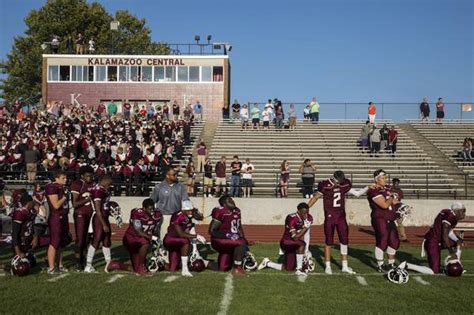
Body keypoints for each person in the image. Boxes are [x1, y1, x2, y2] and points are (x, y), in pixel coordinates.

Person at [308, 171, 368, 274]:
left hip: (341, 216)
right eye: (338, 181)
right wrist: (306, 208)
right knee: (328, 241)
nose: (340, 183)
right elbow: (316, 197)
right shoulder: (325, 185)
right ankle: (328, 266)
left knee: (344, 240)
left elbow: (357, 193)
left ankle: (344, 266)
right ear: (334, 178)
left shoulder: (345, 184)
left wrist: (368, 187)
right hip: (330, 216)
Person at [105, 198, 162, 276]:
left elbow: (155, 230)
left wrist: (156, 242)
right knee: (145, 242)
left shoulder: (157, 214)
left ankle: (114, 264)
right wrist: (153, 238)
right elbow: (139, 231)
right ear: (144, 208)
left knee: (136, 269)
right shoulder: (137, 213)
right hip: (131, 240)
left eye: (153, 208)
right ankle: (142, 267)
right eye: (150, 209)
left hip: (141, 239)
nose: (152, 211)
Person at [258, 202, 312, 277]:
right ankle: (299, 269)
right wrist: (305, 228)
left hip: (296, 243)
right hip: (287, 242)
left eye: (307, 213)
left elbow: (303, 236)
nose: (306, 215)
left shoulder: (309, 217)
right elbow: (295, 237)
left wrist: (304, 253)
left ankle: (267, 263)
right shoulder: (291, 218)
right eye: (304, 213)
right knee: (302, 244)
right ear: (298, 211)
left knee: (288, 269)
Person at [367, 169, 401, 272]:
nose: (385, 179)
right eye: (382, 178)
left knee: (395, 242)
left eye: (385, 177)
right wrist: (391, 196)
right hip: (379, 218)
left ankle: (391, 264)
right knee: (382, 240)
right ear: (376, 179)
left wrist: (402, 206)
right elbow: (385, 204)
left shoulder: (387, 188)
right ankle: (380, 265)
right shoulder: (373, 190)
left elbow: (394, 201)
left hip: (390, 218)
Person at [163, 200, 206, 277]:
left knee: (173, 268)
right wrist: (197, 236)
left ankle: (164, 263)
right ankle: (184, 269)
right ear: (183, 210)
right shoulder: (177, 216)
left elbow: (199, 219)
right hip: (171, 240)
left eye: (191, 210)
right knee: (185, 241)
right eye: (188, 210)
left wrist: (195, 248)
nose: (190, 212)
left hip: (179, 242)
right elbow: (181, 234)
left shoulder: (190, 214)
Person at [422, 203, 466, 273]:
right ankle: (408, 266)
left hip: (439, 241)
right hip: (432, 241)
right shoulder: (449, 216)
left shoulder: (451, 215)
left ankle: (457, 264)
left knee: (459, 242)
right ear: (456, 211)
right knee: (434, 271)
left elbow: (449, 232)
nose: (464, 214)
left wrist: (458, 240)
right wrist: (451, 252)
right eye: (462, 211)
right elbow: (445, 235)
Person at [209, 195, 247, 275]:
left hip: (230, 241)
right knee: (240, 243)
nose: (233, 201)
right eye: (230, 201)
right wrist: (228, 235)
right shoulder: (220, 212)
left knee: (223, 268)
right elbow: (212, 231)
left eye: (232, 200)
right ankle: (237, 268)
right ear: (224, 204)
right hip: (219, 240)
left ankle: (205, 263)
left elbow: (239, 226)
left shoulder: (237, 210)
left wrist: (243, 238)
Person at [84, 175, 114, 273]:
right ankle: (88, 266)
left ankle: (108, 263)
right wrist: (104, 224)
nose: (110, 186)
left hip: (104, 217)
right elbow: (97, 209)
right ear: (105, 182)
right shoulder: (98, 190)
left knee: (106, 240)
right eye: (109, 185)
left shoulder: (102, 189)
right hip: (99, 219)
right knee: (96, 241)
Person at [150, 166, 191, 235]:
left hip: (177, 217)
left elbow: (186, 200)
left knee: (176, 239)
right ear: (167, 176)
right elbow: (151, 201)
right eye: (174, 175)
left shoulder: (180, 187)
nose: (176, 176)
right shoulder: (159, 187)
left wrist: (188, 213)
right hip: (164, 216)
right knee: (164, 239)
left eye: (176, 174)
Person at [46, 170, 71, 274]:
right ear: (56, 178)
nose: (65, 180)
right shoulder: (52, 187)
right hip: (56, 217)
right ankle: (51, 267)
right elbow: (56, 205)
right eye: (63, 178)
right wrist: (65, 197)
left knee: (62, 242)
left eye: (65, 178)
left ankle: (60, 265)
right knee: (54, 242)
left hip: (64, 216)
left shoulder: (62, 187)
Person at [70, 165, 95, 271]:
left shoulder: (93, 184)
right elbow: (74, 204)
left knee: (87, 239)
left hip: (91, 214)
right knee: (80, 239)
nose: (90, 177)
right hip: (80, 214)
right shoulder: (77, 184)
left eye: (91, 175)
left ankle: (84, 260)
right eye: (87, 175)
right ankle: (77, 262)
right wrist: (87, 199)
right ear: (82, 176)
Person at [11, 194, 35, 260]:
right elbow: (15, 233)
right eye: (32, 202)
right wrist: (18, 252)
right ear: (29, 202)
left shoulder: (29, 211)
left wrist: (34, 237)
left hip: (27, 242)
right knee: (22, 267)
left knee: (31, 262)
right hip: (20, 243)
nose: (33, 203)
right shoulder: (20, 212)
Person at [390, 178, 407, 242]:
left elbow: (400, 200)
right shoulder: (390, 190)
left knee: (400, 223)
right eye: (395, 183)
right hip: (390, 208)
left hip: (398, 209)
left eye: (397, 183)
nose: (396, 185)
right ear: (393, 183)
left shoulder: (400, 191)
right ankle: (390, 236)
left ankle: (403, 237)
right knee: (390, 223)